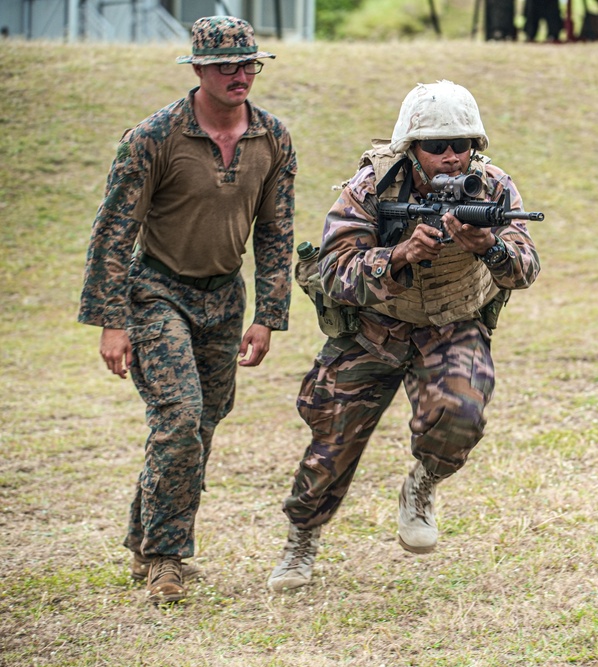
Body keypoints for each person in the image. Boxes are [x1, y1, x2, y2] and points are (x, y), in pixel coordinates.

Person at [267, 80, 540, 592]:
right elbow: (331, 271)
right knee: (332, 444)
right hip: (372, 330)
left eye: (462, 145)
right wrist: (399, 255)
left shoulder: (495, 189)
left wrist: (489, 247)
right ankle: (301, 538)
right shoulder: (371, 188)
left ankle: (423, 485)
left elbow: (525, 267)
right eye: (437, 146)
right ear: (411, 148)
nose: (451, 157)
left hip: (452, 324)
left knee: (462, 413)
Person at [77, 15, 296, 604]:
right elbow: (112, 233)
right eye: (225, 64)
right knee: (177, 422)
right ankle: (167, 562)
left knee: (200, 424)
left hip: (225, 298)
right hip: (155, 292)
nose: (238, 74)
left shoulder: (272, 137)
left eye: (248, 63)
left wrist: (269, 314)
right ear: (197, 68)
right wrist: (112, 320)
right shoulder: (153, 137)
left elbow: (276, 231)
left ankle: (144, 538)